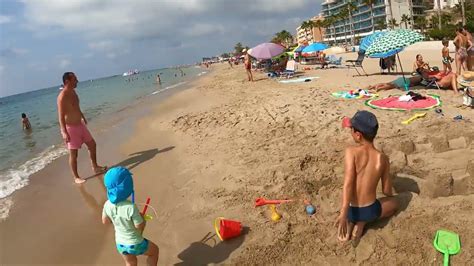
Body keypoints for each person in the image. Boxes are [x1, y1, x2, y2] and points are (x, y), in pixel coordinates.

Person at [336, 111, 398, 242]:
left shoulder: (351, 152)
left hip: (351, 210)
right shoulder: (383, 158)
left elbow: (348, 184)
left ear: (358, 135)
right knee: (393, 203)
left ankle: (351, 222)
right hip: (370, 210)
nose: (350, 131)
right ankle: (362, 223)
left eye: (351, 129)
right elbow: (387, 191)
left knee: (350, 206)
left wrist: (343, 213)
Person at [102, 167, 159, 266]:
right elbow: (139, 226)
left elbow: (105, 221)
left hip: (120, 244)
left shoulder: (107, 204)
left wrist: (117, 219)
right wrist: (143, 219)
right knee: (154, 252)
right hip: (135, 243)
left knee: (130, 262)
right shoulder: (130, 207)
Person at [57, 72, 106, 184]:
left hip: (80, 125)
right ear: (67, 81)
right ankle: (76, 177)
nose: (77, 81)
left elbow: (77, 107)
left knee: (92, 145)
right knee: (74, 154)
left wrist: (82, 116)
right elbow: (60, 117)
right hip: (70, 129)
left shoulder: (73, 92)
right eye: (75, 79)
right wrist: (64, 132)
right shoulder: (61, 97)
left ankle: (95, 166)